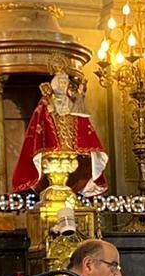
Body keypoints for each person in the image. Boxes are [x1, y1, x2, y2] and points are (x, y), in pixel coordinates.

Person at [11, 69, 109, 197]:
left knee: (70, 164)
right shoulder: (47, 102)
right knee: (55, 166)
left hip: (69, 144)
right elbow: (40, 122)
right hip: (53, 146)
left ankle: (65, 189)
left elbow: (80, 117)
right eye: (60, 82)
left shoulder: (72, 102)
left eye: (65, 82)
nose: (63, 85)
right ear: (55, 84)